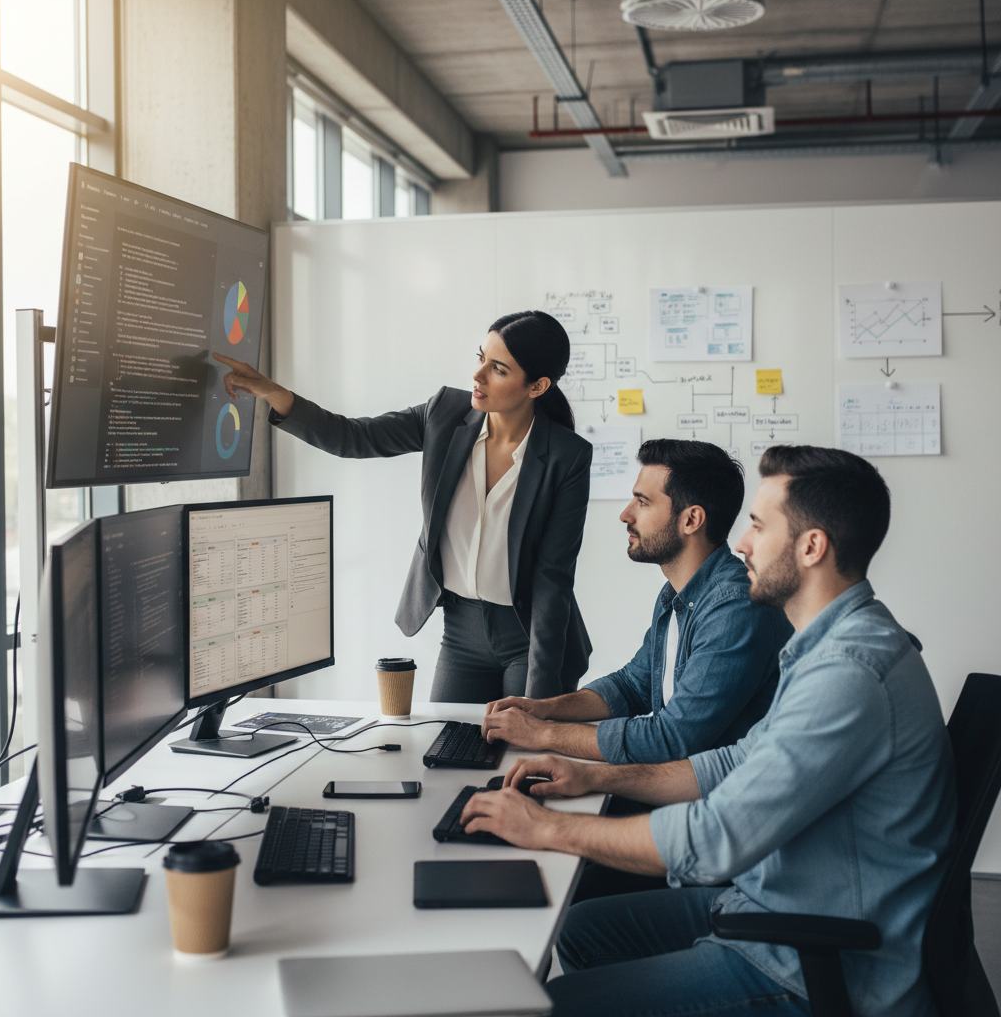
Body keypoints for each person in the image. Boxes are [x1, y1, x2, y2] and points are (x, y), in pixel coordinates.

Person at [460, 446, 956, 1017]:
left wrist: (547, 827)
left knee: (552, 1004)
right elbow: (733, 762)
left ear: (811, 547)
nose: (740, 542)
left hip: (816, 958)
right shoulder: (826, 647)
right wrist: (590, 776)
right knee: (580, 933)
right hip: (773, 899)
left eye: (758, 526)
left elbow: (713, 840)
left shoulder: (849, 675)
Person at [213, 310, 592, 703]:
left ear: (537, 385)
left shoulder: (567, 456)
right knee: (444, 750)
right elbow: (354, 438)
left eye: (498, 369)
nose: (478, 376)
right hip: (460, 632)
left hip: (531, 638)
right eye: (480, 358)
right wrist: (275, 393)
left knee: (523, 753)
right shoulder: (445, 413)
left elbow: (553, 579)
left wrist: (541, 697)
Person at [481, 439, 792, 764]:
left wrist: (542, 734)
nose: (624, 514)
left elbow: (672, 739)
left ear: (691, 520)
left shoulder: (735, 607)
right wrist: (543, 709)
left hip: (712, 800)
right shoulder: (677, 594)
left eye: (642, 502)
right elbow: (633, 685)